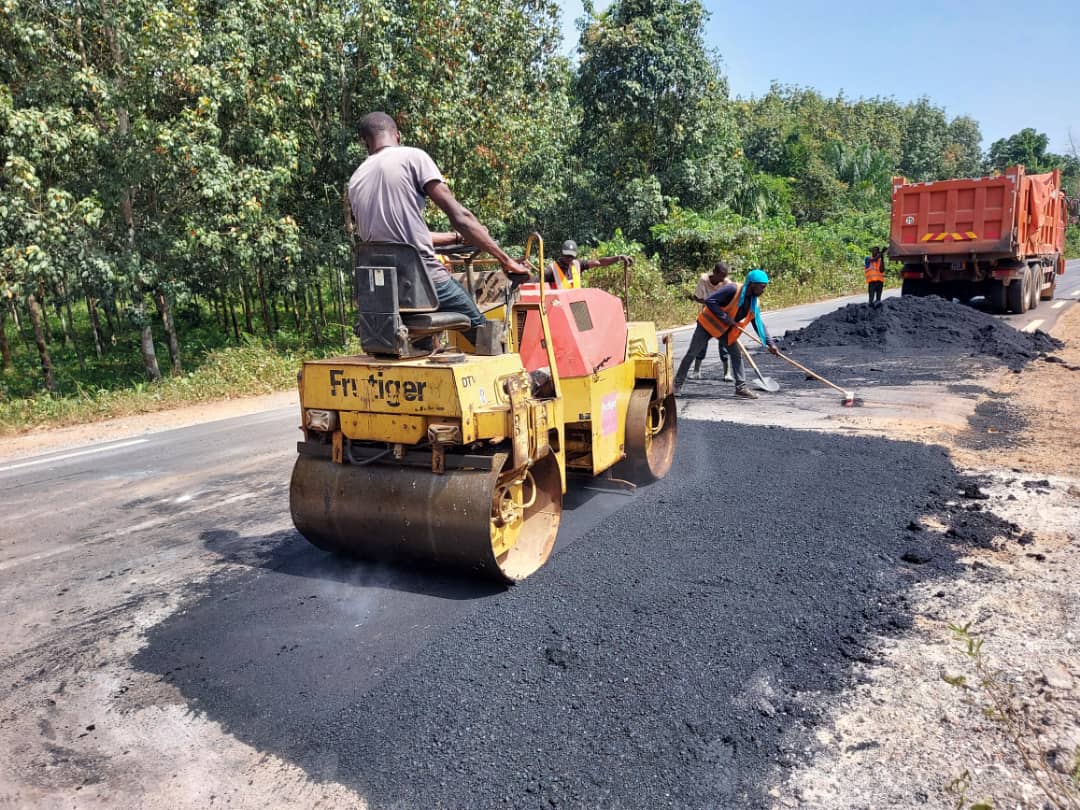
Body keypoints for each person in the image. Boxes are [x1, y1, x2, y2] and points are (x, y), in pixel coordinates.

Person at [347, 111, 530, 339]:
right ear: (398, 136)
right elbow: (460, 216)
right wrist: (507, 260)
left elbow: (397, 235)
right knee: (485, 335)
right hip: (424, 282)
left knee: (425, 341)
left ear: (366, 142)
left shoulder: (355, 179)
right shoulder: (413, 157)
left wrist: (455, 238)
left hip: (384, 292)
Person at [674, 269, 779, 400]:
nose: (763, 290)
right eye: (762, 287)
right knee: (692, 353)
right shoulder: (733, 289)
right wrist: (726, 318)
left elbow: (758, 324)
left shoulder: (753, 302)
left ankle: (741, 388)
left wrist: (771, 344)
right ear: (752, 284)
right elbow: (711, 301)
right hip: (708, 324)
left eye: (765, 287)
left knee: (736, 354)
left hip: (725, 330)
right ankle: (677, 385)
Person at [686, 262, 733, 381]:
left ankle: (727, 373)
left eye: (725, 276)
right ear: (715, 273)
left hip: (722, 316)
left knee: (724, 345)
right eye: (721, 276)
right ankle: (696, 371)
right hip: (707, 317)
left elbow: (731, 300)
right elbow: (696, 297)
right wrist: (710, 304)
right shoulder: (704, 280)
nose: (722, 279)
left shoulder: (727, 283)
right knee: (701, 344)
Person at [544, 240, 632, 289]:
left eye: (571, 256)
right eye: (567, 256)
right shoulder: (551, 270)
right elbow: (535, 282)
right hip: (559, 311)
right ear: (562, 254)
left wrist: (619, 257)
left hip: (576, 308)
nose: (569, 259)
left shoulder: (577, 264)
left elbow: (599, 262)